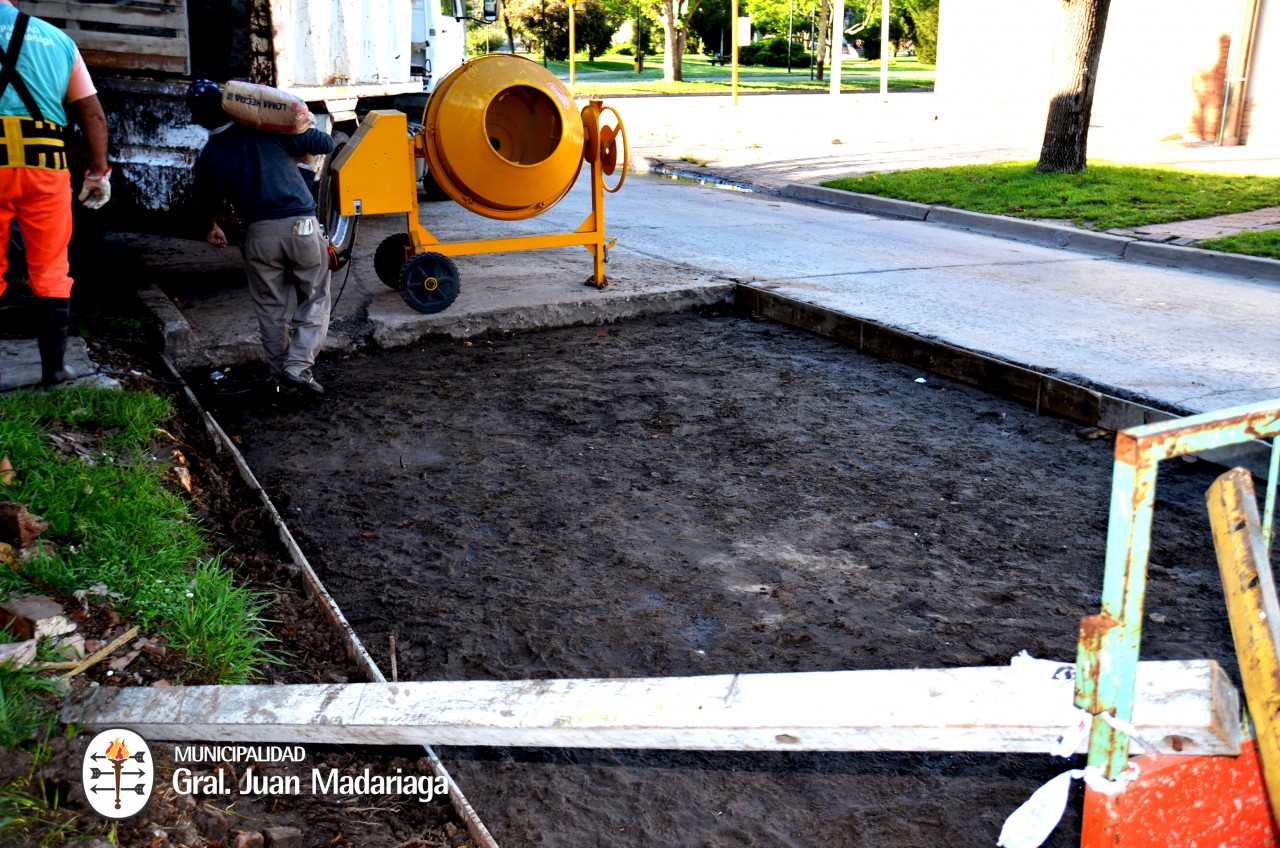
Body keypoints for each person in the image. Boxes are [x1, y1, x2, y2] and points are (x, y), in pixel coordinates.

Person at [187, 78, 335, 397]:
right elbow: (325, 144)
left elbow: (207, 202)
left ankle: (280, 375)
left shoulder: (210, 156)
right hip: (301, 227)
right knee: (314, 296)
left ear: (198, 120)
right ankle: (298, 367)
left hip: (258, 234)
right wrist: (303, 124)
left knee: (270, 306)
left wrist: (212, 227)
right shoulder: (266, 130)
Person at [0, 0, 111, 386]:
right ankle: (54, 370)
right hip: (44, 170)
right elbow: (92, 113)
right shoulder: (58, 40)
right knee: (50, 269)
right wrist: (98, 171)